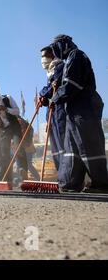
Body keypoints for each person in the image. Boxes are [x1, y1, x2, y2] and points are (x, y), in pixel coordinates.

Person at [48, 35, 108, 193]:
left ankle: (101, 184)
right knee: (71, 149)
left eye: (55, 49)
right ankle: (69, 184)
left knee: (89, 146)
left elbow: (72, 85)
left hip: (84, 109)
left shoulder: (77, 56)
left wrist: (55, 98)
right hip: (73, 111)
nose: (55, 53)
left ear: (63, 45)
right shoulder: (70, 59)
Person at [38, 46, 66, 171]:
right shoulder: (49, 71)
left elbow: (50, 89)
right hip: (52, 112)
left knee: (62, 144)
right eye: (41, 57)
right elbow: (48, 90)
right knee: (55, 147)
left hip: (60, 111)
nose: (42, 59)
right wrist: (43, 98)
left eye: (44, 56)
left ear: (52, 55)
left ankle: (68, 175)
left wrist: (43, 93)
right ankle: (61, 176)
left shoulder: (60, 67)